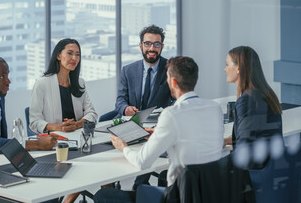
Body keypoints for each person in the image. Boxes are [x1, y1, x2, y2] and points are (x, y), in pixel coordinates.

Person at [94, 56, 224, 203]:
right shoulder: (215, 108)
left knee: (102, 196)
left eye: (167, 77)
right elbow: (194, 138)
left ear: (173, 82)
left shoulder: (171, 114)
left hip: (178, 196)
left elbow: (142, 161)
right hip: (210, 194)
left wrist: (123, 147)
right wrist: (160, 132)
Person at [223, 46, 283, 165]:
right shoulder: (267, 94)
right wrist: (226, 141)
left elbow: (243, 149)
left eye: (227, 64)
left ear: (238, 68)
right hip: (270, 166)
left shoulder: (247, 101)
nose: (225, 69)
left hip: (255, 170)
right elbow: (256, 136)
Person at [29, 38, 98, 134]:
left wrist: (76, 125)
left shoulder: (80, 82)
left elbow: (92, 113)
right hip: (54, 139)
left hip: (79, 135)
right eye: (70, 53)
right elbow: (34, 122)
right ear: (58, 56)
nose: (74, 58)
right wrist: (59, 127)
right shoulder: (41, 84)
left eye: (77, 55)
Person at [115, 24, 173, 118]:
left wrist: (168, 113)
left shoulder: (171, 69)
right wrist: (125, 108)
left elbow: (177, 100)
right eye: (147, 43)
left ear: (162, 47)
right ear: (141, 46)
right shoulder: (128, 70)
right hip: (132, 121)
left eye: (156, 44)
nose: (152, 48)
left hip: (159, 123)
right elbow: (120, 100)